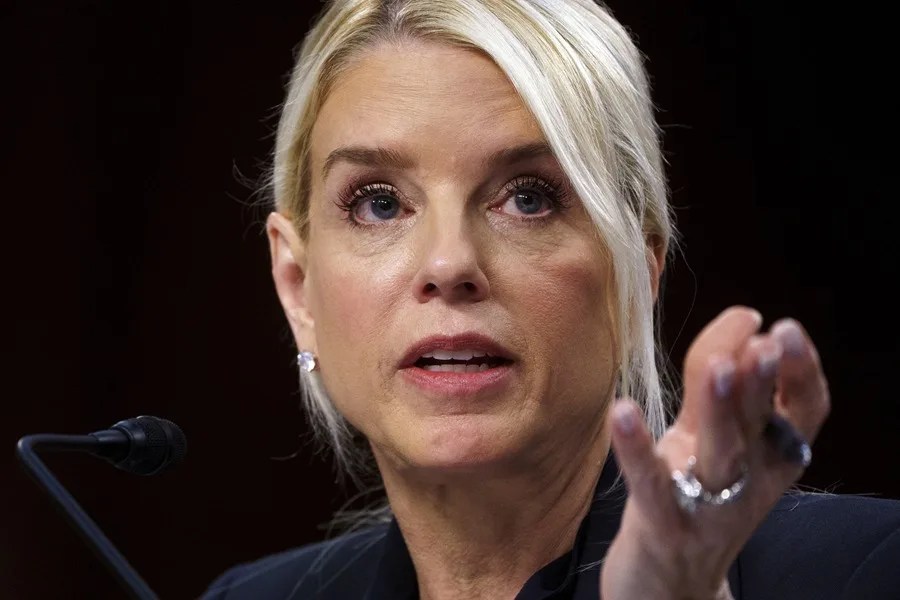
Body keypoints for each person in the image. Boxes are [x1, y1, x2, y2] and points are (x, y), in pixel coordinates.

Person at [202, 1, 900, 598]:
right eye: (379, 205)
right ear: (298, 288)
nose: (449, 264)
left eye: (528, 198)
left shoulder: (865, 571)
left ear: (637, 274)